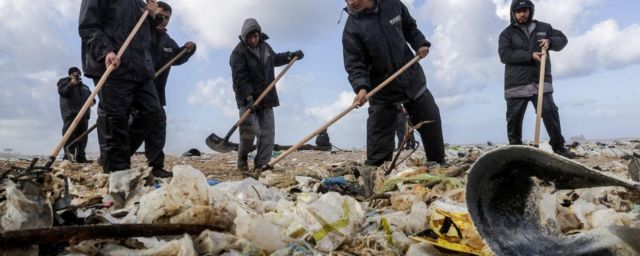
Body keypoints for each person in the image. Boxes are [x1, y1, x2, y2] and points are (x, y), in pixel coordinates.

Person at [342, 0, 445, 167]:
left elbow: (410, 28)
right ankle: (376, 173)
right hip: (381, 88)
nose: (351, 2)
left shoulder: (392, 4)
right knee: (379, 141)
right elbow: (354, 63)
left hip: (411, 77)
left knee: (430, 118)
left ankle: (437, 163)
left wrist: (420, 43)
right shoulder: (352, 28)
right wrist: (361, 87)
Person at [79, 0, 166, 174]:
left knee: (152, 113)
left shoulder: (139, 2)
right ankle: (117, 171)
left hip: (140, 66)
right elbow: (88, 25)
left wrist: (151, 15)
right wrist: (106, 50)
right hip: (112, 64)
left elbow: (147, 32)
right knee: (115, 119)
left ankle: (117, 155)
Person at [498, 0, 576, 158]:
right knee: (514, 118)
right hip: (516, 84)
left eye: (525, 10)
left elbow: (563, 39)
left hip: (540, 81)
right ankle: (516, 150)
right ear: (513, 13)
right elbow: (504, 55)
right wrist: (530, 55)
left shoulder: (544, 28)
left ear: (530, 11)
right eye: (519, 11)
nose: (522, 14)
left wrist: (550, 41)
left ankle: (559, 147)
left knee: (549, 111)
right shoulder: (507, 33)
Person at [129, 1, 196, 177]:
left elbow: (177, 57)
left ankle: (156, 165)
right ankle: (118, 157)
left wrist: (188, 50)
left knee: (158, 124)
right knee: (128, 124)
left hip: (156, 93)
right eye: (160, 15)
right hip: (135, 89)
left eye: (167, 18)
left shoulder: (167, 40)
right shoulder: (141, 31)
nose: (163, 20)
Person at [230, 18, 304, 175]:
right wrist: (249, 98)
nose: (253, 40)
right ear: (244, 36)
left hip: (267, 98)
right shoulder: (238, 53)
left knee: (267, 132)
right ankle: (242, 159)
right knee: (249, 132)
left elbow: (274, 59)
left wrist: (291, 55)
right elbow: (240, 79)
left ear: (259, 34)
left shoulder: (265, 46)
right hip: (247, 100)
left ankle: (261, 164)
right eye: (249, 37)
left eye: (255, 36)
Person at [57, 67, 93, 163]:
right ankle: (69, 158)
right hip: (71, 114)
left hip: (84, 116)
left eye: (78, 73)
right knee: (69, 137)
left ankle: (81, 158)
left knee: (83, 137)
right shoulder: (64, 82)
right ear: (70, 74)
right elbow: (63, 92)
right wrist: (71, 84)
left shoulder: (85, 87)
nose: (76, 74)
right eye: (73, 73)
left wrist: (92, 101)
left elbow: (92, 99)